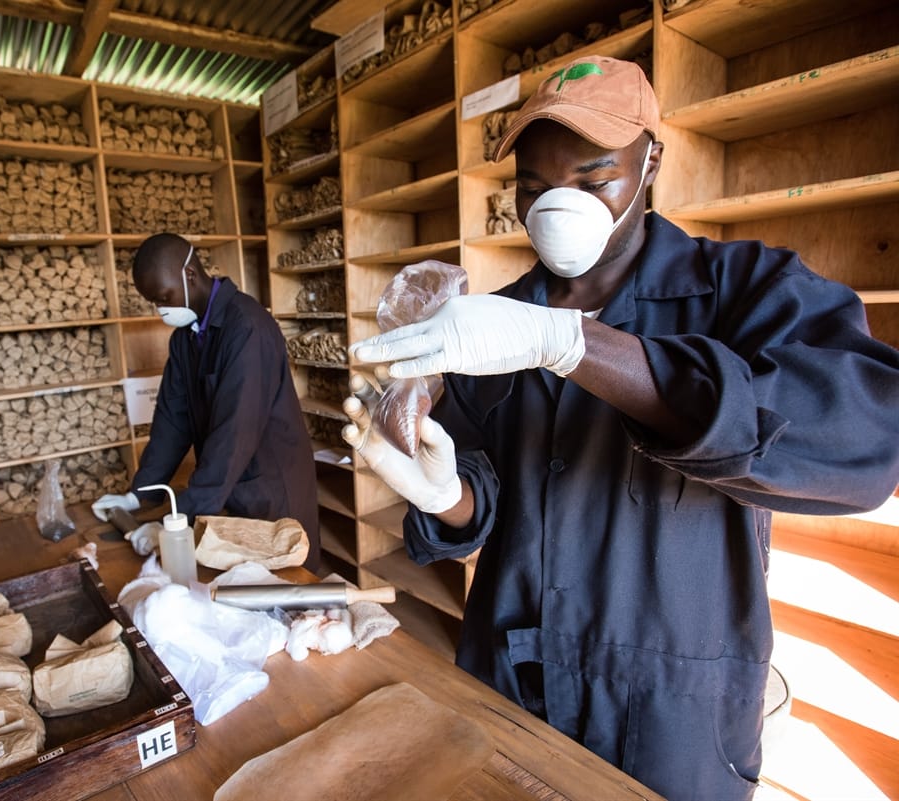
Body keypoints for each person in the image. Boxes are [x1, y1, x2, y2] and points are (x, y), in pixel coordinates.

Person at [341, 56, 899, 801]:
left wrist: (573, 344)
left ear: (650, 163)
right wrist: (445, 495)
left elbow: (869, 437)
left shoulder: (743, 290)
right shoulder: (492, 324)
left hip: (672, 715)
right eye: (534, 188)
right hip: (512, 680)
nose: (558, 207)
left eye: (593, 178)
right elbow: (482, 490)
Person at [93, 233, 321, 571]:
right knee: (235, 579)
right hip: (226, 482)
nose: (162, 310)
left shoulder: (247, 328)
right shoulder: (184, 339)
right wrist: (139, 494)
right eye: (154, 302)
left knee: (285, 580)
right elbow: (171, 420)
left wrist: (178, 520)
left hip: (269, 485)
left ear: (189, 275)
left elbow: (235, 433)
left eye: (164, 297)